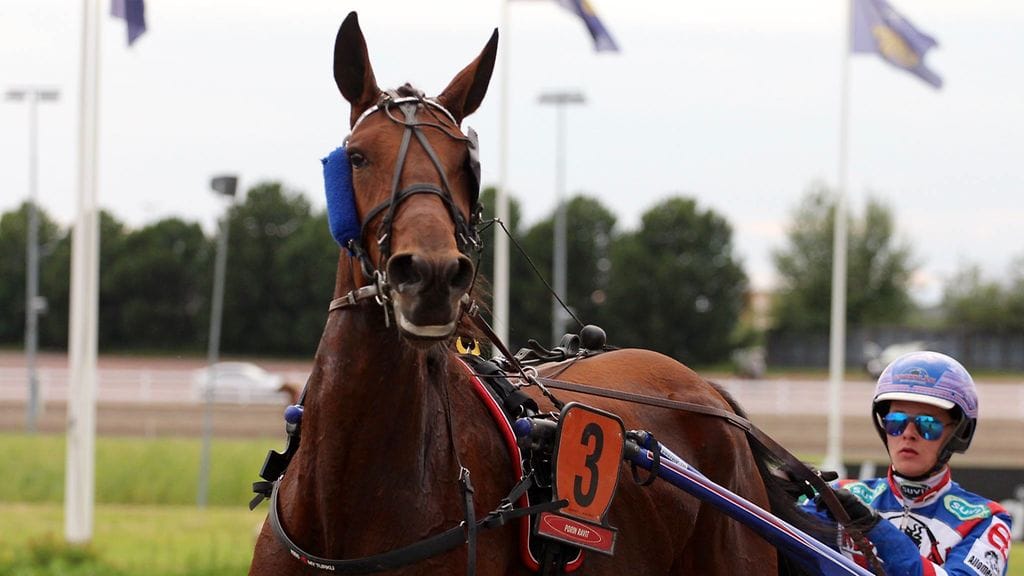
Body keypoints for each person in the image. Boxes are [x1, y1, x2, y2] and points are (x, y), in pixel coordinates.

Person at [804, 351, 1013, 575]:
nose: (908, 434)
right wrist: (777, 489)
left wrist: (875, 528)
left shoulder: (986, 520)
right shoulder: (839, 496)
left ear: (958, 433)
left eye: (927, 425)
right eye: (896, 422)